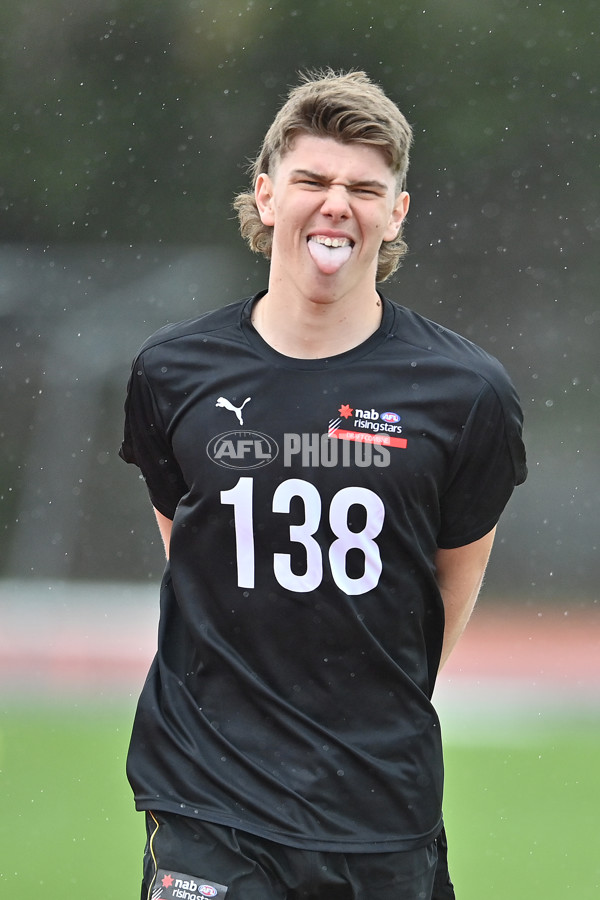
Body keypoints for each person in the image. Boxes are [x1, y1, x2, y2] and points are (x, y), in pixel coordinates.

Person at [120, 69, 527, 900]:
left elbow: (448, 590)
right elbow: (190, 554)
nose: (336, 203)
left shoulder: (466, 394)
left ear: (396, 213)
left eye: (363, 188)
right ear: (267, 196)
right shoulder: (172, 372)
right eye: (312, 180)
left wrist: (356, 713)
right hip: (208, 804)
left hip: (378, 812)